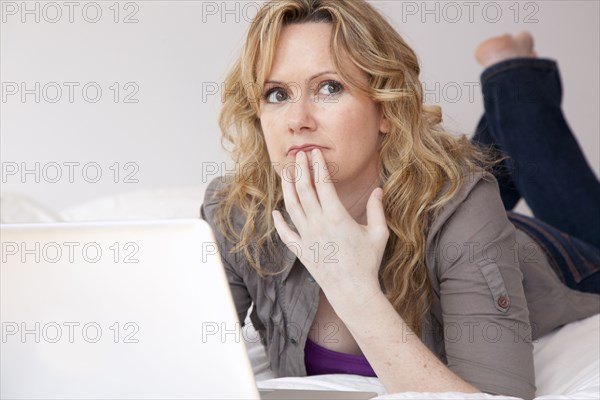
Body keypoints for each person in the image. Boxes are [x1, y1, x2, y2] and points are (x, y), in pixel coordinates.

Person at [200, 1, 600, 398]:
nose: (297, 118)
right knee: (471, 166)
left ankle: (513, 75)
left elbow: (495, 395)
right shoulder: (235, 212)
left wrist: (353, 288)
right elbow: (186, 359)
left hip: (552, 256)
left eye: (329, 87)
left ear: (385, 108)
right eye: (276, 93)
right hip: (446, 205)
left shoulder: (464, 206)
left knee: (496, 164)